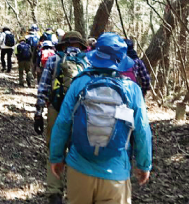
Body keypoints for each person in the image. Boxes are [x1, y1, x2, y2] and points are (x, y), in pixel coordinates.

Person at [50, 33, 152, 204]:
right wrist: (143, 165)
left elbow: (62, 123)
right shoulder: (132, 89)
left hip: (79, 167)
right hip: (116, 174)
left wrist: (56, 157)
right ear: (121, 60)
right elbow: (142, 130)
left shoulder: (79, 83)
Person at [34, 31, 88, 204]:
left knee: (54, 149)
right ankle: (74, 191)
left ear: (63, 44)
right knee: (76, 150)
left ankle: (54, 192)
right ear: (80, 45)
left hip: (56, 109)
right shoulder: (88, 62)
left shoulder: (54, 59)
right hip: (80, 112)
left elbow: (43, 87)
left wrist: (38, 112)